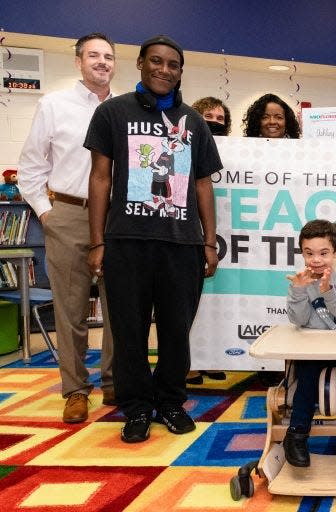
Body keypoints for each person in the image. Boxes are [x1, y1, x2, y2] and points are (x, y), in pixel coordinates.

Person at [85, 35, 221, 443]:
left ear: (181, 71)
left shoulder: (193, 123)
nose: (164, 70)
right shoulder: (113, 113)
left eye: (173, 65)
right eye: (156, 62)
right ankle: (138, 407)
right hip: (126, 241)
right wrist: (97, 242)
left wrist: (209, 242)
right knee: (129, 331)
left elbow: (202, 186)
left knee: (177, 332)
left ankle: (170, 401)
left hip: (181, 245)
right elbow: (100, 177)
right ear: (141, 64)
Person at [17, 32, 117, 423]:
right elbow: (30, 169)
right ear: (78, 61)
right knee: (70, 309)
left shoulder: (127, 108)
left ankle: (114, 381)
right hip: (69, 215)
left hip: (117, 218)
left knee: (119, 307)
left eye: (108, 56)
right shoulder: (54, 105)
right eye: (94, 55)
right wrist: (47, 214)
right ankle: (75, 389)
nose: (102, 62)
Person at [282, 219, 336, 467]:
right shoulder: (300, 281)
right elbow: (297, 319)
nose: (316, 259)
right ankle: (297, 434)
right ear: (302, 253)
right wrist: (299, 291)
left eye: (324, 253)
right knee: (306, 379)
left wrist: (329, 291)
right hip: (313, 348)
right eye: (309, 253)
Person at [186, 96, 232, 385]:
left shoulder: (234, 150)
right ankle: (187, 363)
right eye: (207, 117)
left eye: (219, 119)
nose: (214, 123)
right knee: (187, 305)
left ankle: (210, 358)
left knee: (214, 306)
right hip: (187, 229)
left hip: (221, 233)